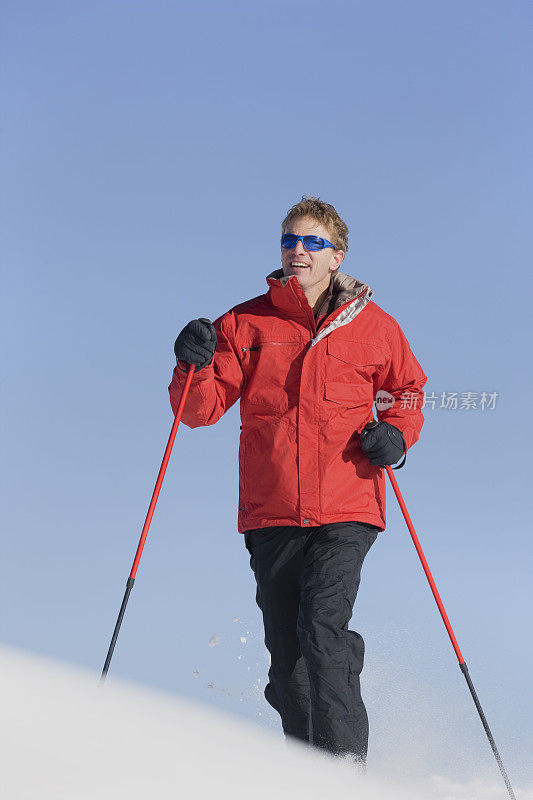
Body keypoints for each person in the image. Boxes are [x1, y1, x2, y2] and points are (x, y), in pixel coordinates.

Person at [169, 196, 427, 769]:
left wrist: (398, 436)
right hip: (273, 509)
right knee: (287, 656)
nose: (296, 251)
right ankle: (305, 770)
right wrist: (191, 363)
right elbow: (199, 410)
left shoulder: (376, 328)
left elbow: (406, 392)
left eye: (311, 242)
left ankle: (344, 771)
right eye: (289, 240)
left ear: (337, 256)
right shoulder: (245, 323)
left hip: (347, 506)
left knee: (323, 629)